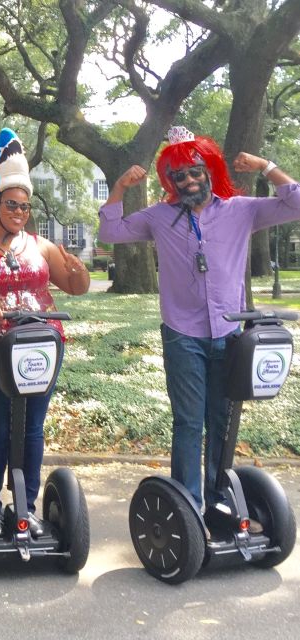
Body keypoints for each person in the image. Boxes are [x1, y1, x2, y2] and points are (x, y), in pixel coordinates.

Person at [98, 126, 300, 523]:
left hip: (228, 333)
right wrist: (120, 187)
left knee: (221, 420)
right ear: (170, 181)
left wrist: (266, 167)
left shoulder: (241, 209)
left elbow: (296, 203)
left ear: (208, 170)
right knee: (189, 421)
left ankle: (218, 497)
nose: (188, 180)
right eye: (179, 176)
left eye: (194, 171)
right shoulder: (159, 217)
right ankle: (189, 507)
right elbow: (111, 231)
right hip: (182, 334)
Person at [0, 128, 90, 538]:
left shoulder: (43, 247)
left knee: (32, 426)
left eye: (25, 207)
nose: (19, 212)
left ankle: (25, 504)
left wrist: (78, 272)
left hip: (42, 344)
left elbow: (74, 287)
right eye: (12, 205)